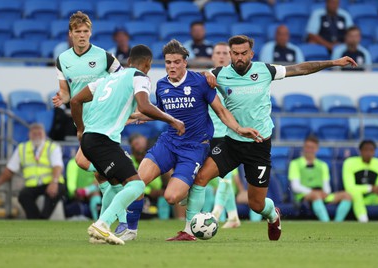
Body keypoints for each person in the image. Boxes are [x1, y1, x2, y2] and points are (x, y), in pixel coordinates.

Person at [169, 34, 357, 241]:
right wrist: (205, 75)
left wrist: (333, 62)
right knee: (201, 178)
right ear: (230, 54)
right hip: (231, 142)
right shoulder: (220, 74)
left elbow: (300, 68)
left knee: (256, 204)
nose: (239, 58)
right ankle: (188, 231)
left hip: (258, 146)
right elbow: (193, 80)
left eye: (243, 53)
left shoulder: (266, 70)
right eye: (235, 54)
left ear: (251, 53)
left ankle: (273, 215)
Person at [120, 39, 261, 241]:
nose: (172, 66)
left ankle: (187, 213)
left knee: (171, 197)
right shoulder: (161, 85)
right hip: (168, 142)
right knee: (136, 183)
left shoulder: (200, 82)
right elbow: (159, 112)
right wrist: (133, 118)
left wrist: (238, 129)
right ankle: (130, 230)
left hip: (194, 147)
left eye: (177, 62)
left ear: (185, 62)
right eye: (169, 62)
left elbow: (220, 110)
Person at [70, 44, 185, 245]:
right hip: (104, 141)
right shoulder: (139, 77)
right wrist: (171, 120)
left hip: (90, 139)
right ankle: (103, 224)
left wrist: (80, 129)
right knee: (136, 184)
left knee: (111, 182)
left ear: (128, 61)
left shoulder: (106, 79)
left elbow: (75, 101)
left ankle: (99, 231)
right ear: (147, 65)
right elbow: (145, 105)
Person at [51, 11, 127, 236]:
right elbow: (66, 93)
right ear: (71, 34)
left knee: (82, 161)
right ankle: (113, 222)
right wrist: (60, 98)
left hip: (105, 119)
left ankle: (123, 193)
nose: (82, 36)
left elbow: (124, 81)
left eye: (86, 31)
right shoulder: (62, 60)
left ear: (90, 33)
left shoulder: (104, 56)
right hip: (82, 120)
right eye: (78, 32)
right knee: (101, 175)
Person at [0, 124, 65, 219]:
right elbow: (10, 169)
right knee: (23, 196)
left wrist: (54, 182)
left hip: (50, 182)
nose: (37, 135)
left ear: (45, 134)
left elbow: (57, 166)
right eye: (34, 133)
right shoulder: (22, 148)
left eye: (39, 133)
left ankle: (44, 218)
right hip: (32, 185)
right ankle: (36, 220)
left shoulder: (52, 147)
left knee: (56, 191)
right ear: (29, 135)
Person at [208, 42, 241, 228]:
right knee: (220, 176)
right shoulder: (207, 79)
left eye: (224, 53)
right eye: (217, 53)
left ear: (230, 56)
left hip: (230, 134)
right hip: (211, 134)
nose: (220, 56)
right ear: (212, 57)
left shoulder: (237, 79)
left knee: (225, 176)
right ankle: (234, 216)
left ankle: (216, 214)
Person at [288, 136, 352, 222]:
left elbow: (326, 185)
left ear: (317, 149)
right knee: (316, 196)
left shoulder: (323, 165)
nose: (309, 150)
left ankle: (337, 223)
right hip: (304, 195)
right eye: (307, 147)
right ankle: (326, 223)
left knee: (347, 196)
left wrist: (325, 193)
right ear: (304, 148)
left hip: (321, 194)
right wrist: (312, 192)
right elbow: (295, 187)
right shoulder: (295, 164)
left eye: (312, 148)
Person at [342, 140, 378, 222]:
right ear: (360, 151)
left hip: (374, 197)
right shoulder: (349, 163)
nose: (368, 153)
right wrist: (370, 188)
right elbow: (349, 187)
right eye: (365, 150)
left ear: (374, 152)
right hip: (358, 197)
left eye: (371, 150)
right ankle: (363, 221)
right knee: (355, 194)